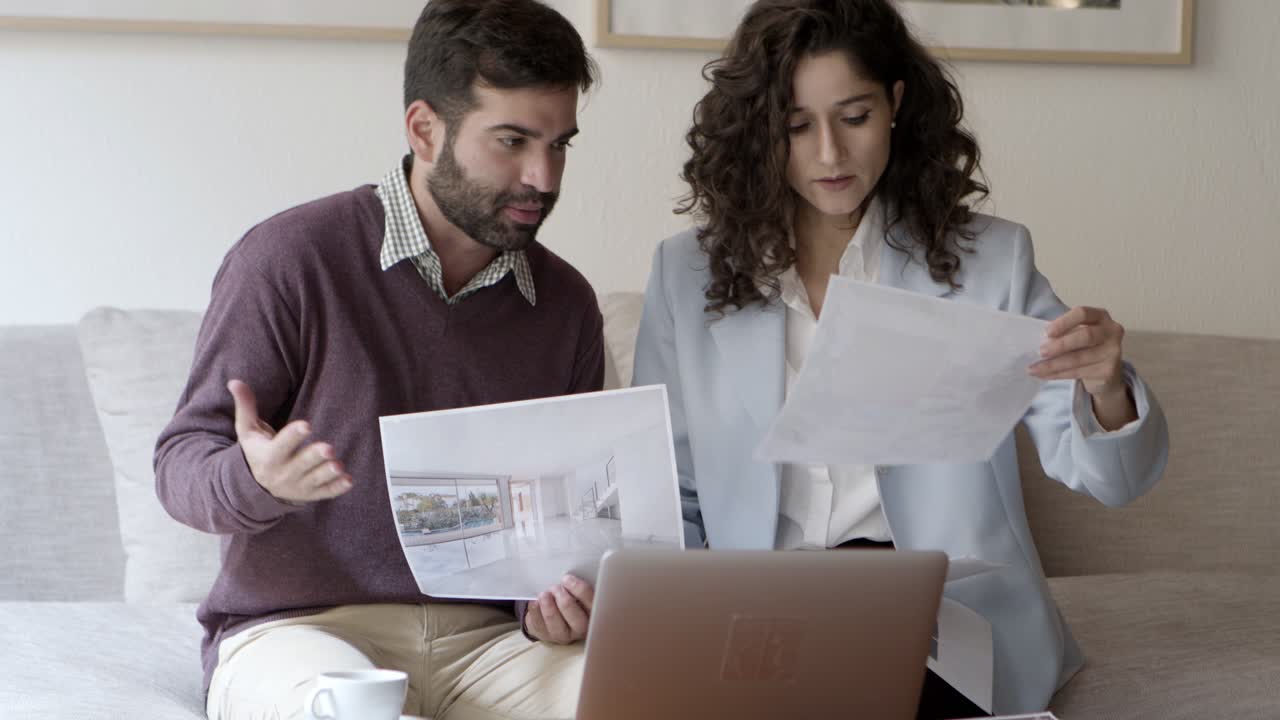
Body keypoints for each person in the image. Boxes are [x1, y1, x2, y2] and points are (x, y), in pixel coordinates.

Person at [631, 1, 1169, 717]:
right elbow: (672, 495)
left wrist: (1104, 386)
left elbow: (1109, 477)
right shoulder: (685, 275)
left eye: (853, 117)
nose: (829, 154)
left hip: (942, 614)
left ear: (895, 104)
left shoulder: (990, 265)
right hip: (759, 611)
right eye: (795, 126)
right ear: (758, 131)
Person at [154, 2, 601, 718]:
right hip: (302, 630)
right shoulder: (292, 259)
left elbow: (562, 526)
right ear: (425, 129)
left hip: (488, 644)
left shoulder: (566, 305)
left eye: (560, 145)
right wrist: (256, 479)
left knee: (642, 695)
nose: (542, 178)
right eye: (512, 141)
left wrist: (550, 604)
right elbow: (180, 462)